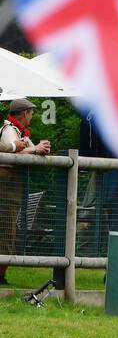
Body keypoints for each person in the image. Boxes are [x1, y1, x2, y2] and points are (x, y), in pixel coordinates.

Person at [0, 98, 52, 286]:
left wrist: (38, 149)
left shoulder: (19, 132)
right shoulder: (9, 131)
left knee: (8, 235)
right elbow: (11, 153)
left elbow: (26, 150)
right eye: (31, 112)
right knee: (6, 235)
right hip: (5, 193)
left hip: (11, 193)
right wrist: (35, 150)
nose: (32, 115)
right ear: (23, 113)